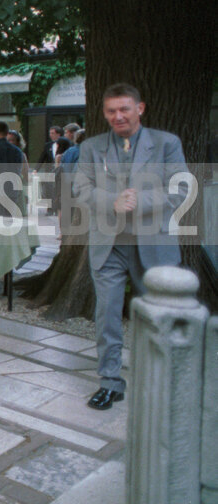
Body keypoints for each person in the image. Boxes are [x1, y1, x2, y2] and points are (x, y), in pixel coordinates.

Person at [73, 83, 187, 411]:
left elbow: (179, 188)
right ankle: (110, 382)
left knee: (158, 315)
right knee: (107, 314)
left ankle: (163, 379)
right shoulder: (93, 147)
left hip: (152, 244)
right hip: (109, 245)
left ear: (140, 108)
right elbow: (81, 189)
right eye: (111, 110)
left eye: (124, 109)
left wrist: (141, 202)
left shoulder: (167, 144)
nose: (117, 116)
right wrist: (112, 201)